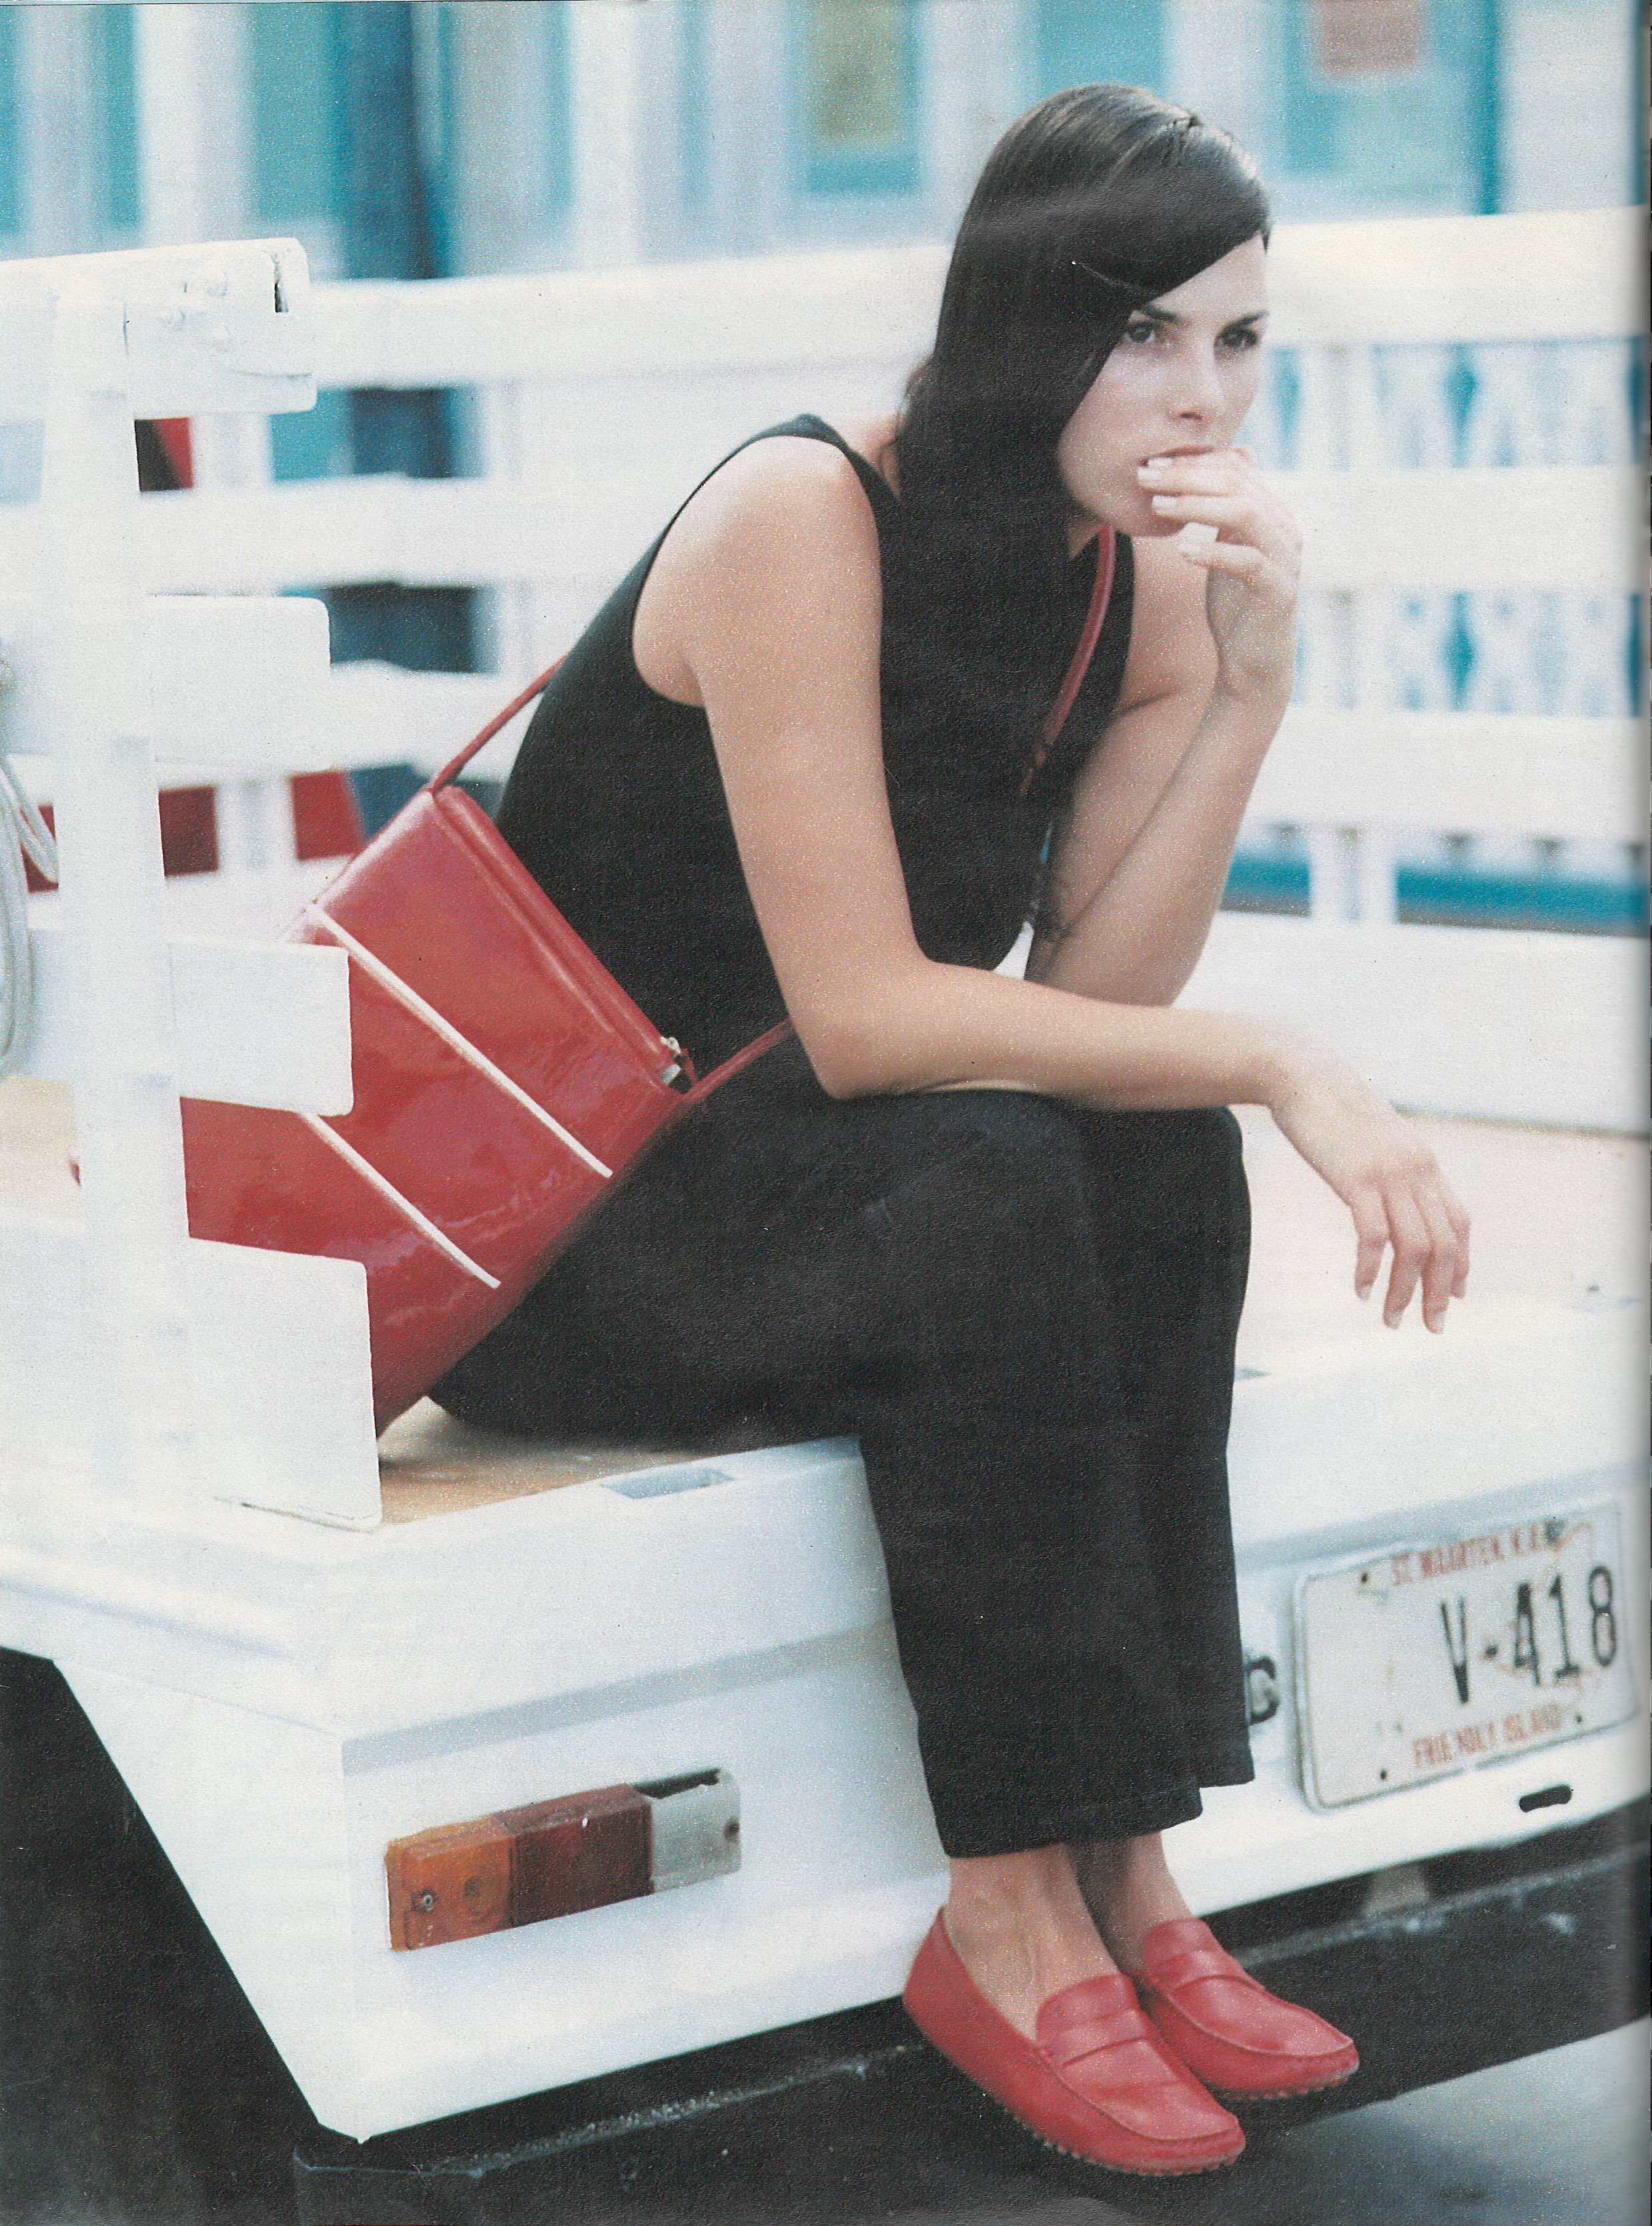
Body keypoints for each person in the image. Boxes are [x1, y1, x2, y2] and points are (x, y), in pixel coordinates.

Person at [433, 83, 1470, 2177]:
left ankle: (1127, 1876)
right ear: (1022, 319)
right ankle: (999, 1916)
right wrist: (1292, 1058)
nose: (1201, 395)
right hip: (567, 1243)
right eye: (1142, 331)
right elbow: (870, 1018)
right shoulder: (799, 517)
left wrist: (1244, 689)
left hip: (818, 1201)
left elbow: (1096, 1009)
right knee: (1003, 1170)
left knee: (1140, 1151)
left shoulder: (1125, 587)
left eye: (1238, 340)